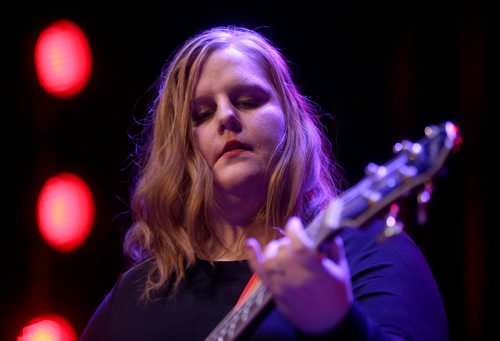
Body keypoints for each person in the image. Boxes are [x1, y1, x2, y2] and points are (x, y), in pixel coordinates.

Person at [80, 25, 448, 340]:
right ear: (179, 149)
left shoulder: (366, 253)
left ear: (291, 122)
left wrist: (338, 322)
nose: (226, 117)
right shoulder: (139, 293)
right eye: (202, 114)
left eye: (248, 100)